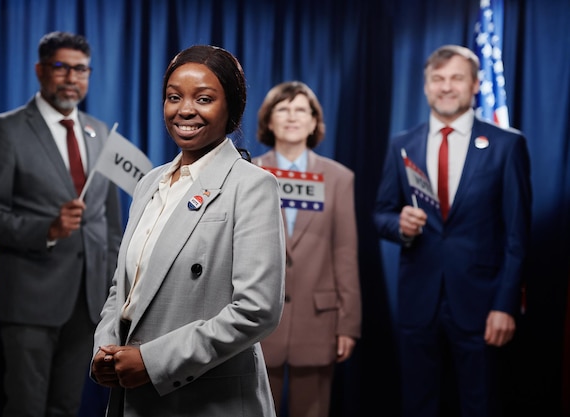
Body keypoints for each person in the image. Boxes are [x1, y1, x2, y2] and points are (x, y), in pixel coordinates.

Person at [90, 45, 286, 417]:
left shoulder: (252, 184)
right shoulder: (150, 182)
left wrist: (152, 361)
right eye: (174, 97)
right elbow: (124, 288)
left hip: (205, 398)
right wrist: (104, 349)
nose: (185, 110)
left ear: (232, 108)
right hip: (131, 393)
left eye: (205, 98)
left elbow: (257, 311)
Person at [374, 45, 531, 417]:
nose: (446, 87)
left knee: (481, 404)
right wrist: (400, 225)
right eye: (438, 79)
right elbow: (381, 213)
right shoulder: (402, 144)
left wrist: (504, 306)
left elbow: (517, 235)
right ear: (426, 87)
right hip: (418, 301)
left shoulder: (507, 145)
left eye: (456, 78)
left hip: (482, 304)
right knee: (417, 403)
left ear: (475, 85)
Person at [0, 31, 123, 416]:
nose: (72, 77)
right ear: (40, 71)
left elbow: (108, 226)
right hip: (29, 298)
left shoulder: (100, 132)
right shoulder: (6, 130)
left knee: (66, 406)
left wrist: (112, 289)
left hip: (88, 300)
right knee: (26, 406)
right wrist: (47, 230)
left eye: (80, 69)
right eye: (61, 67)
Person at [253, 81, 362, 417]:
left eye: (301, 109)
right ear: (269, 121)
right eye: (282, 109)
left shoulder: (339, 178)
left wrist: (348, 324)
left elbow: (345, 253)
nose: (292, 116)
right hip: (255, 321)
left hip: (319, 320)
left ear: (315, 122)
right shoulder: (248, 174)